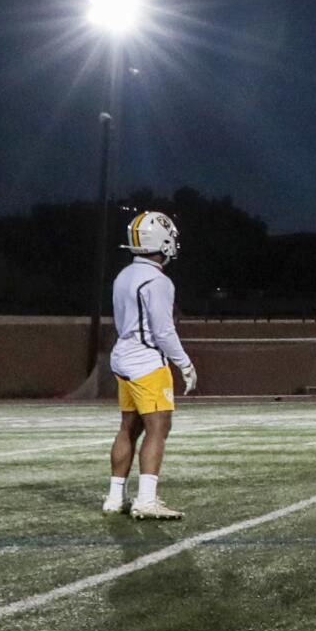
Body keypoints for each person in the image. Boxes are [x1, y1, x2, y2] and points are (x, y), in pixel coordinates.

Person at [103, 209, 197, 520]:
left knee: (128, 428)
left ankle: (115, 497)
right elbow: (163, 330)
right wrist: (184, 363)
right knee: (159, 428)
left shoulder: (123, 275)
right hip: (146, 361)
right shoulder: (158, 281)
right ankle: (146, 499)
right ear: (163, 241)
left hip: (124, 356)